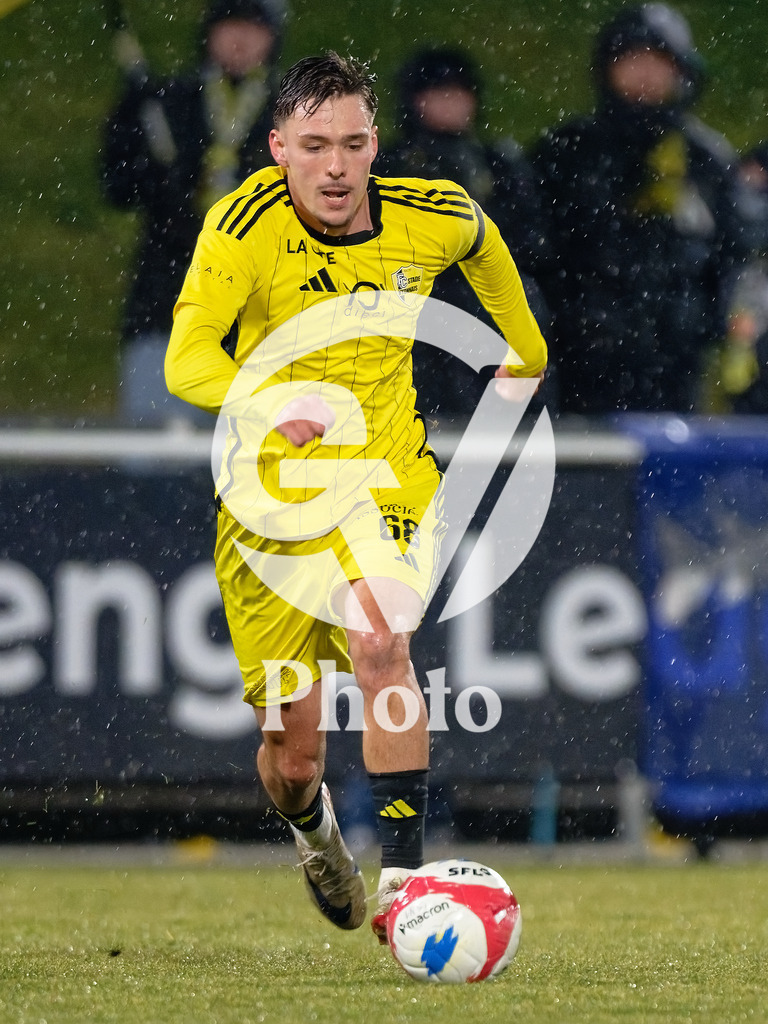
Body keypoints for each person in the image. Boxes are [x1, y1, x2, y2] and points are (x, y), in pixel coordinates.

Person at [165, 52, 547, 943]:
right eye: (313, 147)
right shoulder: (242, 226)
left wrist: (523, 347)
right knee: (293, 754)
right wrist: (268, 401)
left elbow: (481, 241)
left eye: (350, 144)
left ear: (375, 143)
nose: (334, 167)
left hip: (386, 476)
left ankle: (404, 886)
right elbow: (187, 361)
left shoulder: (429, 215)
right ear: (278, 149)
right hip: (270, 500)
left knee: (381, 640)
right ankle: (314, 833)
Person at [531, 2, 755, 415]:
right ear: (607, 69)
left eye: (657, 61)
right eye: (631, 60)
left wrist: (711, 328)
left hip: (678, 367)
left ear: (681, 71)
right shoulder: (567, 152)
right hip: (579, 363)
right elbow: (534, 253)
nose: (644, 73)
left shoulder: (706, 159)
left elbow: (733, 258)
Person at [102, 0, 285, 426]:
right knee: (156, 443)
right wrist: (128, 124)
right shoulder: (169, 102)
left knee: (252, 449)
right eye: (229, 26)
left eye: (254, 28)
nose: (240, 40)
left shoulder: (291, 111)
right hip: (166, 305)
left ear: (273, 39)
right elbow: (118, 188)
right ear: (209, 34)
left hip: (261, 317)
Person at [378, 47, 553, 420]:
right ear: (414, 100)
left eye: (458, 92)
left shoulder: (499, 164)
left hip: (486, 298)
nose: (449, 103)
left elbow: (531, 240)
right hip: (416, 302)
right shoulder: (387, 166)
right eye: (437, 93)